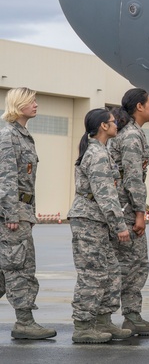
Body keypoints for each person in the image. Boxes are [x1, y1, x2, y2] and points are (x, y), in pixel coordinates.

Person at [68, 109, 132, 344]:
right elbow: (106, 195)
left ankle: (103, 321)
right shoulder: (97, 154)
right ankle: (83, 326)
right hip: (89, 221)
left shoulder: (102, 151)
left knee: (112, 271)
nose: (117, 125)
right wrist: (119, 226)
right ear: (104, 126)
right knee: (92, 274)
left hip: (98, 220)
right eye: (113, 122)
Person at [0, 88, 56, 340]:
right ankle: (24, 322)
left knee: (5, 270)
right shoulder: (7, 135)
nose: (36, 104)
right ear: (19, 104)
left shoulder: (22, 135)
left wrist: (27, 213)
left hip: (21, 211)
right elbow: (6, 177)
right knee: (20, 267)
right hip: (11, 215)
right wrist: (12, 213)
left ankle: (24, 320)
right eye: (31, 101)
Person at [108, 88, 149, 335]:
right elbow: (133, 179)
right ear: (139, 107)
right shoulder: (131, 136)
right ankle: (130, 316)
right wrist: (140, 213)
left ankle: (131, 315)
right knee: (134, 264)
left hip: (125, 209)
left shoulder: (132, 134)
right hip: (127, 210)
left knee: (133, 264)